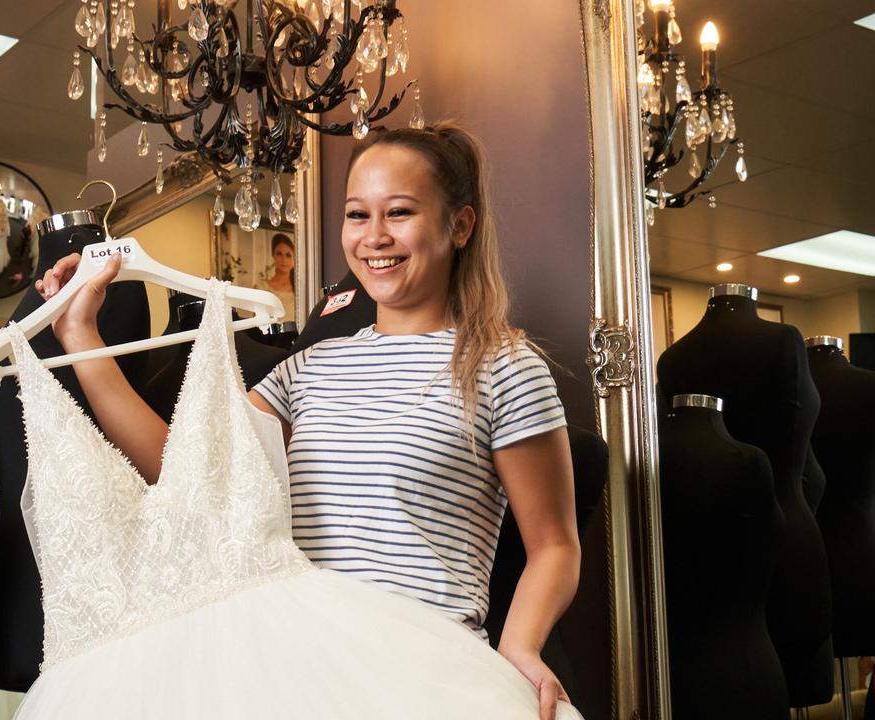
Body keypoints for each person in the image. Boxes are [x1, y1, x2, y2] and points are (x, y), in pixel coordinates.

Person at [33, 122, 580, 719]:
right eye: (356, 214)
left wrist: (520, 645)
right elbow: (184, 468)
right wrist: (80, 337)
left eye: (398, 213)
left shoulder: (502, 365)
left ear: (460, 225)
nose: (374, 237)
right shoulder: (310, 368)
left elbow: (554, 544)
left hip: (425, 674)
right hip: (295, 671)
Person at [253, 234, 297, 324]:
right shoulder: (262, 288)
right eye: (279, 254)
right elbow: (256, 324)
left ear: (294, 258)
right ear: (273, 256)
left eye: (288, 255)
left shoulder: (300, 290)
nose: (284, 259)